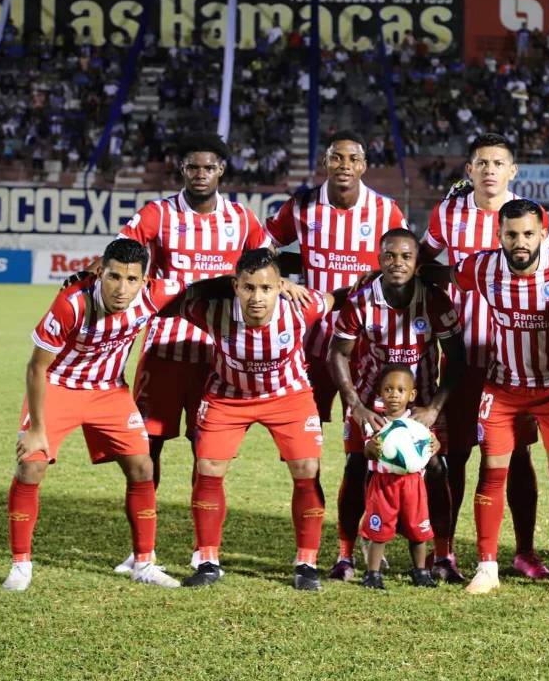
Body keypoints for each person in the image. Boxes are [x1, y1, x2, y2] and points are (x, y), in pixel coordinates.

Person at [426, 199, 549, 597]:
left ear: (543, 233)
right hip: (502, 388)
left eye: (528, 233)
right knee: (492, 472)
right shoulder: (480, 267)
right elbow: (440, 275)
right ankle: (487, 566)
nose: (520, 241)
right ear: (499, 235)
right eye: (511, 234)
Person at [112, 137, 270, 575]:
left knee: (208, 453)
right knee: (146, 451)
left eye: (208, 167)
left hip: (216, 356)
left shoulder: (241, 219)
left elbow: (264, 266)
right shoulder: (157, 215)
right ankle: (142, 551)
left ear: (221, 169)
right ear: (181, 169)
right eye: (192, 167)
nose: (200, 174)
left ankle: (206, 552)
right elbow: (118, 255)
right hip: (163, 350)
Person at [263, 130, 408, 578]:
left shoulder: (385, 210)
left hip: (359, 351)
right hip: (306, 346)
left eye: (353, 158)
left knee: (359, 452)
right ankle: (309, 546)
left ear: (364, 165)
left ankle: (346, 551)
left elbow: (402, 266)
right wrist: (278, 279)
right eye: (336, 157)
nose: (344, 165)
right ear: (325, 163)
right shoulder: (303, 205)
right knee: (304, 454)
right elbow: (265, 243)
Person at [3, 238, 186, 592]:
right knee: (31, 465)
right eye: (114, 277)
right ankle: (21, 564)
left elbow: (207, 284)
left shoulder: (155, 294)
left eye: (132, 280)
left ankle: (144, 563)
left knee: (142, 467)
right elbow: (36, 368)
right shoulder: (72, 304)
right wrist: (37, 430)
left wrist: (282, 281)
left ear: (144, 281)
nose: (122, 288)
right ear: (100, 271)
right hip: (58, 385)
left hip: (109, 391)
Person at [419, 134, 549, 580]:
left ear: (513, 171)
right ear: (469, 169)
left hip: (515, 360)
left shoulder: (530, 217)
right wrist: (452, 281)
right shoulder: (448, 213)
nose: (490, 170)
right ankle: (445, 551)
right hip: (461, 357)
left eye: (499, 163)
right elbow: (421, 261)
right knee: (454, 455)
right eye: (481, 163)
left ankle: (525, 551)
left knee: (517, 457)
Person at [178, 249, 345, 591]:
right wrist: (216, 287)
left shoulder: (302, 306)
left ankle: (306, 563)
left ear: (280, 287)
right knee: (208, 467)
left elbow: (337, 298)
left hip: (289, 398)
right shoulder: (211, 312)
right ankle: (208, 560)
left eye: (266, 288)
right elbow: (184, 295)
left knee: (306, 471)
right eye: (248, 287)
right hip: (228, 397)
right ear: (235, 287)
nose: (257, 297)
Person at [329, 229, 466, 582]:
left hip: (420, 405)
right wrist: (356, 405)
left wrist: (434, 407)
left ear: (417, 262)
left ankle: (442, 555)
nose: (397, 263)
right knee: (358, 467)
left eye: (406, 256)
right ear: (379, 259)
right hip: (372, 405)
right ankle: (345, 556)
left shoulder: (435, 301)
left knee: (435, 471)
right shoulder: (360, 300)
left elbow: (457, 358)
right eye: (390, 256)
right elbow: (338, 354)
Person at [358, 365, 442, 590]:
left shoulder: (417, 422)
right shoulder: (375, 421)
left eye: (400, 390)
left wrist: (435, 445)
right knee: (380, 530)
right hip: (383, 484)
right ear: (380, 392)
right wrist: (371, 448)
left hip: (413, 484)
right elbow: (366, 447)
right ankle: (372, 573)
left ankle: (421, 571)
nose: (394, 394)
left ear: (411, 395)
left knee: (418, 529)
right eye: (388, 389)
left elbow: (430, 443)